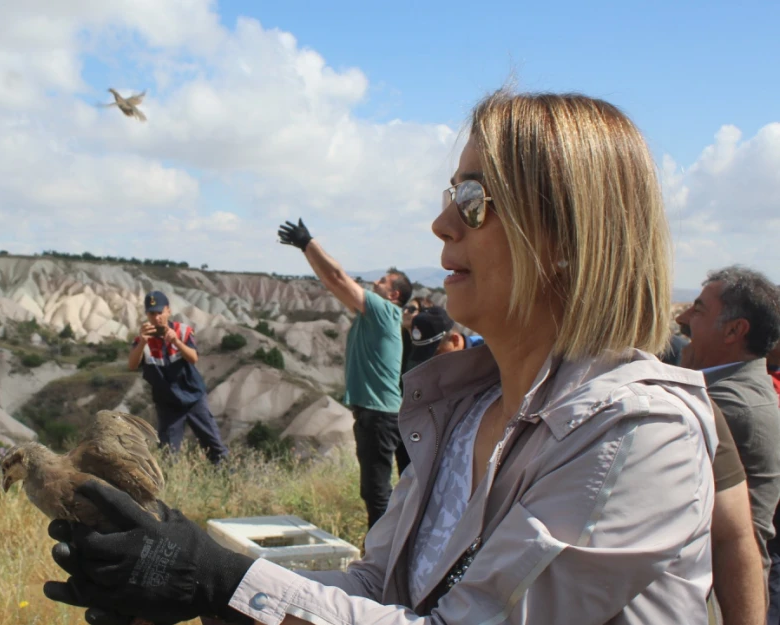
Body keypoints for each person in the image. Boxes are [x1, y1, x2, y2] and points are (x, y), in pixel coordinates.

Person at [44, 90, 717, 625]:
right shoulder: (463, 410)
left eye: (475, 201)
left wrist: (221, 580)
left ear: (569, 238)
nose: (442, 222)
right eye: (450, 193)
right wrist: (195, 582)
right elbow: (377, 583)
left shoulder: (635, 435)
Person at [276, 222, 412, 529]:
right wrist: (306, 251)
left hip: (379, 415)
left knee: (376, 492)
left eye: (382, 281)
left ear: (394, 294)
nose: (375, 282)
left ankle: (379, 558)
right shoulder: (377, 316)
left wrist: (307, 243)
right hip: (379, 414)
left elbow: (338, 278)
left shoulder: (384, 311)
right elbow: (332, 282)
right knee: (385, 489)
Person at [674, 266, 780, 624]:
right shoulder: (736, 391)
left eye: (699, 310)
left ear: (735, 330)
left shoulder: (728, 406)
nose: (683, 318)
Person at [127, 290, 229, 464]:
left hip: (194, 398)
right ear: (147, 314)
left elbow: (193, 358)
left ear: (168, 311)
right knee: (168, 454)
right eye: (152, 313)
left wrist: (176, 342)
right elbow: (132, 365)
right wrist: (142, 341)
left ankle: (229, 480)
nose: (156, 317)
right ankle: (169, 486)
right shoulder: (142, 340)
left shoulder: (183, 331)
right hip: (168, 404)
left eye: (160, 312)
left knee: (214, 446)